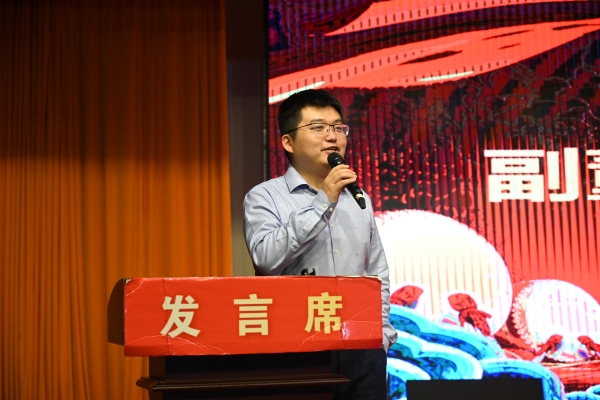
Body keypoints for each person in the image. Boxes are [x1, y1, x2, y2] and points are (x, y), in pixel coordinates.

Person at [243, 89, 397, 399]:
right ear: (288, 142)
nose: (332, 136)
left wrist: (380, 337)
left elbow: (376, 273)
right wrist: (324, 199)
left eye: (338, 127)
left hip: (362, 349)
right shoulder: (264, 197)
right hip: (298, 349)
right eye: (318, 128)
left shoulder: (358, 198)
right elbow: (266, 258)